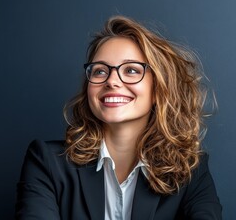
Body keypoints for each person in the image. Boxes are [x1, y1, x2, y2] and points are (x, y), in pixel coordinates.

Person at [15, 16, 222, 220]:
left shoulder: (191, 170)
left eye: (131, 70)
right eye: (100, 71)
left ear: (159, 87)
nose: (112, 81)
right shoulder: (46, 161)